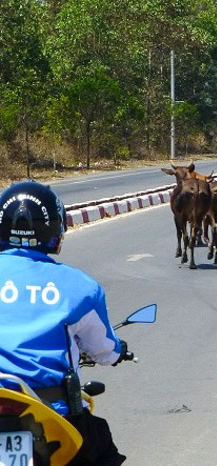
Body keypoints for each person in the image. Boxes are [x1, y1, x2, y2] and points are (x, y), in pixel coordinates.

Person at [0, 181, 127, 466]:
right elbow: (104, 351)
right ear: (55, 231)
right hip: (50, 413)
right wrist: (118, 353)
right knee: (101, 449)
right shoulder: (80, 286)